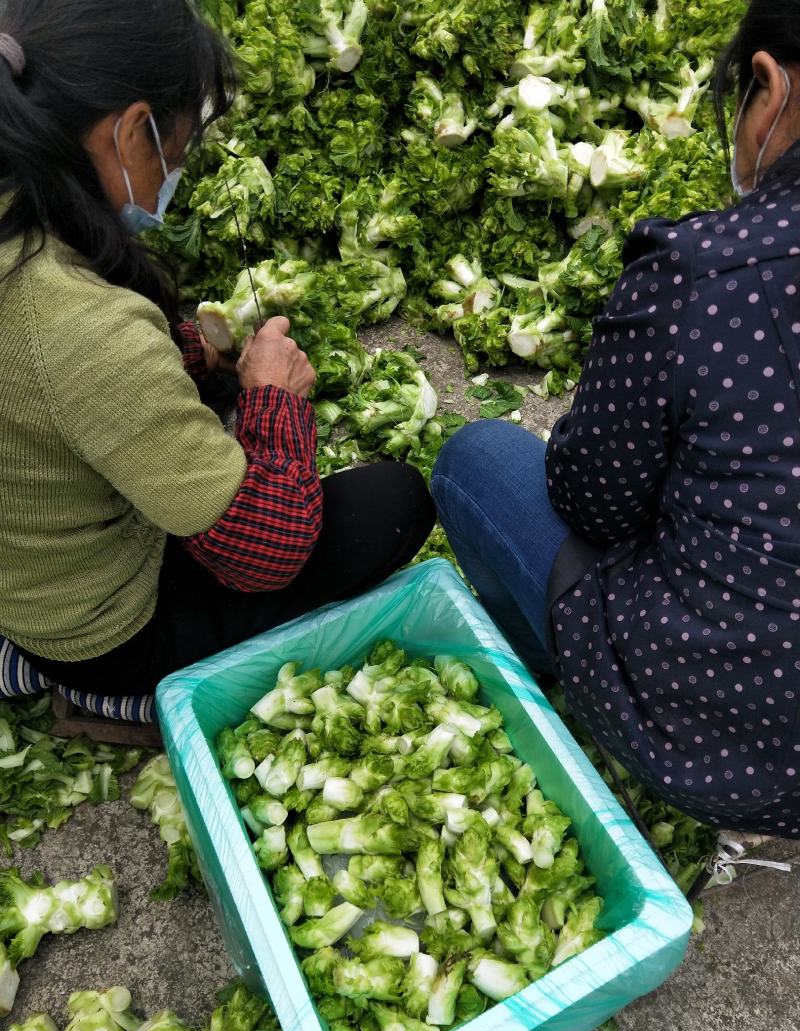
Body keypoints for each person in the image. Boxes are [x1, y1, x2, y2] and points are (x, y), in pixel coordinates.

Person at [432, 0, 800, 838]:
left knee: (476, 457)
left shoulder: (706, 270)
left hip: (721, 746)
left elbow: (592, 501)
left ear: (770, 86)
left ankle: (538, 668)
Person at [0, 0, 434, 699]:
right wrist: (273, 401)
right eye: (181, 140)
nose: (180, 163)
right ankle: (105, 687)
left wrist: (193, 357)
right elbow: (266, 548)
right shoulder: (79, 327)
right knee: (393, 502)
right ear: (132, 130)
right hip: (94, 628)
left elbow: (54, 398)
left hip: (22, 546)